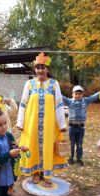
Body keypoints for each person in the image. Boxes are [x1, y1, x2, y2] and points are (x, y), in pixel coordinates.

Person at [16, 52, 67, 187]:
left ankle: (47, 172)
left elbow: (59, 104)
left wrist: (62, 123)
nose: (40, 70)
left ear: (47, 69)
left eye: (43, 67)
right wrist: (20, 122)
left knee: (48, 146)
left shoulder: (54, 84)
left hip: (49, 124)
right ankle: (36, 173)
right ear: (35, 70)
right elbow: (23, 103)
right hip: (31, 123)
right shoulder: (29, 84)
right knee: (32, 145)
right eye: (38, 68)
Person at [62, 84, 100, 165]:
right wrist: (54, 90)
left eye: (80, 94)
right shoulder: (69, 101)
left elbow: (94, 96)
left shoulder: (85, 101)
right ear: (72, 94)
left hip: (81, 128)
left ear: (82, 94)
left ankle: (79, 158)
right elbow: (61, 97)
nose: (78, 95)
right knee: (71, 143)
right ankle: (71, 157)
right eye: (76, 94)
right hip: (72, 127)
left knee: (79, 143)